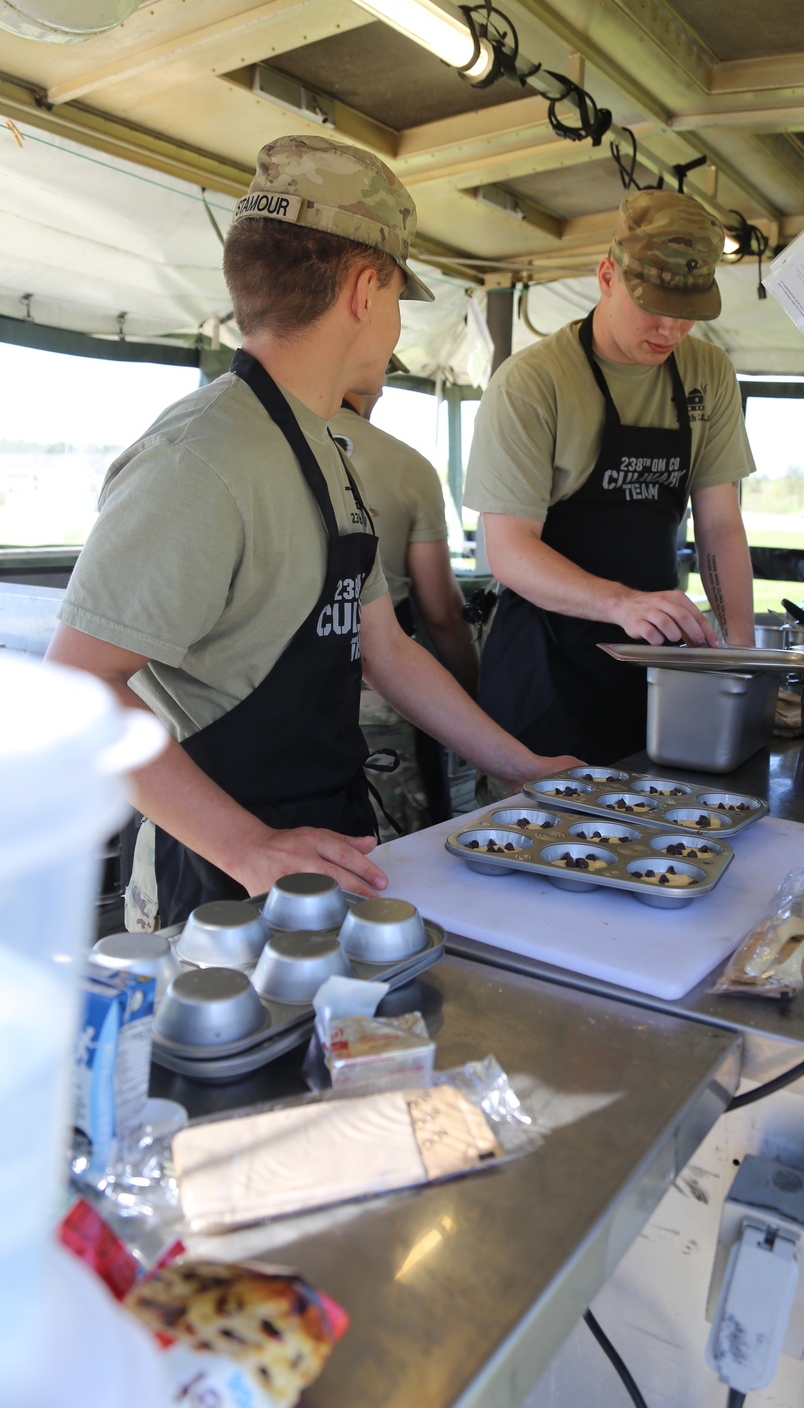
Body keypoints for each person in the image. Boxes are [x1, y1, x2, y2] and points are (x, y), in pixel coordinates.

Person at [46, 134, 575, 928]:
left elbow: (386, 648)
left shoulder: (323, 446)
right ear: (365, 290)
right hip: (217, 877)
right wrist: (249, 846)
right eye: (399, 298)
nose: (395, 327)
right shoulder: (202, 458)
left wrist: (516, 763)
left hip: (326, 848)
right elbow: (80, 682)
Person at [464, 188, 756, 764]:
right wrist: (622, 604)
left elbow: (720, 524)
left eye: (689, 311)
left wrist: (738, 653)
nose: (671, 329)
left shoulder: (708, 371)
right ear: (606, 276)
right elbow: (508, 550)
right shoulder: (533, 383)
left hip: (650, 673)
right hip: (543, 673)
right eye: (653, 304)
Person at [330, 386, 478, 834]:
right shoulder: (407, 466)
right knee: (393, 853)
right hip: (379, 699)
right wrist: (475, 696)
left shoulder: (255, 445)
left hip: (267, 700)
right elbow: (442, 616)